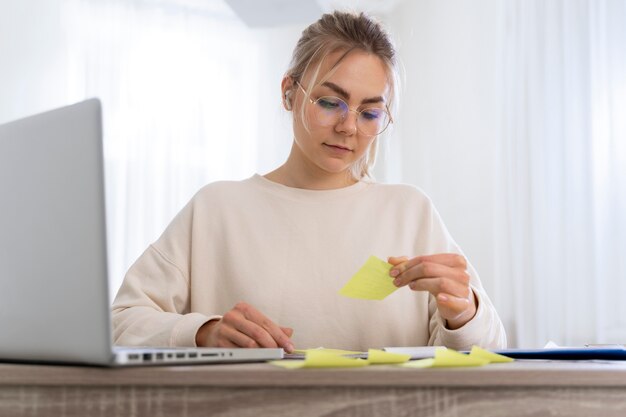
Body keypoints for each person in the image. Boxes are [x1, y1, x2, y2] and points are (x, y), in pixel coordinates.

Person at [112, 11, 507, 353]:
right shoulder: (216, 208)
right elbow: (121, 322)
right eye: (330, 102)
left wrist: (463, 313)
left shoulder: (410, 211)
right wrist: (203, 332)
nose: (348, 126)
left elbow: (489, 350)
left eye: (370, 113)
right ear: (289, 93)